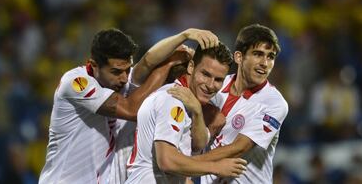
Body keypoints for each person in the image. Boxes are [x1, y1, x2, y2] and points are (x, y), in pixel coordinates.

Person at [39, 28, 220, 184]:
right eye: (117, 72)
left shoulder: (117, 82)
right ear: (93, 65)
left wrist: (183, 35)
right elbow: (132, 110)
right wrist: (169, 63)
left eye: (127, 69)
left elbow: (147, 62)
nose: (125, 78)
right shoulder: (76, 82)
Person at [170, 23, 289, 183]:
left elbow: (239, 148)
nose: (265, 63)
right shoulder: (214, 85)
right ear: (239, 57)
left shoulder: (274, 103)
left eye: (270, 57)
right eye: (258, 54)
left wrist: (185, 166)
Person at [125, 43, 247, 184]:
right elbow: (167, 161)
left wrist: (197, 112)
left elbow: (198, 144)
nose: (210, 84)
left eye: (218, 79)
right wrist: (215, 167)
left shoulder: (190, 103)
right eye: (205, 74)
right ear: (191, 67)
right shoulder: (172, 98)